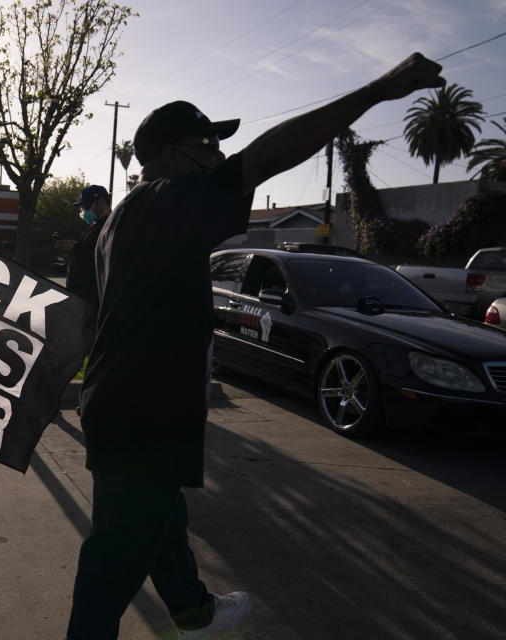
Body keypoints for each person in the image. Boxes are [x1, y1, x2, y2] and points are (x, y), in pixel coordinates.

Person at [67, 53, 445, 639]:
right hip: (143, 413)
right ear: (172, 155)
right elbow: (264, 159)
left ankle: (192, 611)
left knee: (161, 514)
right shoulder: (170, 202)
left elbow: (90, 316)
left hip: (125, 407)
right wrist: (378, 90)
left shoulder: (117, 222)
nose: (218, 157)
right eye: (208, 145)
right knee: (112, 562)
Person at [55, 184, 112, 314]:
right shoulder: (95, 227)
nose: (84, 211)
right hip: (82, 300)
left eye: (86, 207)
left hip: (93, 303)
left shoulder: (110, 227)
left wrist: (75, 248)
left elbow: (102, 259)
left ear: (101, 202)